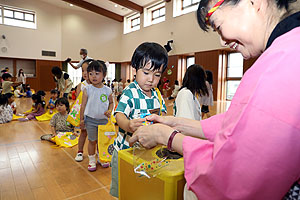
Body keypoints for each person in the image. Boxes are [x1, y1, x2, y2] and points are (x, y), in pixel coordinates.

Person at [128, 0, 300, 199]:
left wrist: (165, 136)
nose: (222, 41)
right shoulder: (287, 51)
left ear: (254, 2)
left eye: (218, 26)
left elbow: (233, 176)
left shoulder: (284, 62)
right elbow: (238, 124)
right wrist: (173, 122)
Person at [110, 42, 168, 198]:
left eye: (157, 75)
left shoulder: (157, 94)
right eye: (146, 72)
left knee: (139, 190)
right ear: (135, 69)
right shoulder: (130, 92)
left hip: (146, 152)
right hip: (125, 152)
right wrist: (128, 125)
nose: (151, 79)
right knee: (123, 190)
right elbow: (119, 114)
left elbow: (162, 114)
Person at [80, 60, 113, 171]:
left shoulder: (107, 90)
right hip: (90, 120)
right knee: (92, 140)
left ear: (104, 75)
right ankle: (92, 160)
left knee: (101, 141)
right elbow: (83, 106)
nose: (93, 76)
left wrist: (109, 110)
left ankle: (101, 158)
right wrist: (81, 120)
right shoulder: (87, 89)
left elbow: (111, 103)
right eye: (91, 73)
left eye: (97, 73)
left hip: (103, 121)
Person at [74, 59, 93, 162]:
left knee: (96, 136)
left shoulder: (98, 85)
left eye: (88, 70)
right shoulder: (81, 86)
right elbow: (78, 103)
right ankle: (80, 151)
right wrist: (81, 119)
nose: (85, 73)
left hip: (96, 116)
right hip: (85, 115)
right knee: (83, 133)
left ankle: (97, 154)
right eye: (83, 70)